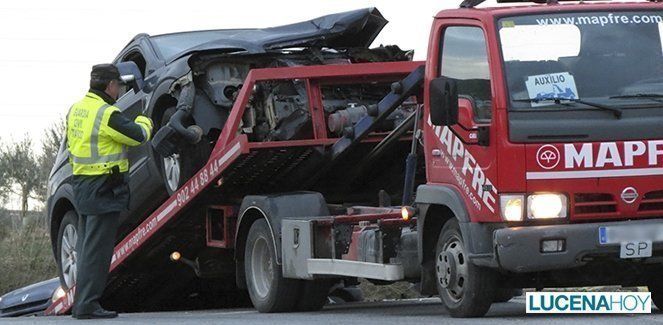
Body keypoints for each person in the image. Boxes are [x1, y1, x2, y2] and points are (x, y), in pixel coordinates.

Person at [66, 63, 153, 319]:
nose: (119, 91)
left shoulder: (76, 109)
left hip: (83, 186)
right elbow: (138, 136)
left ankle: (83, 302)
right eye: (118, 86)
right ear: (110, 86)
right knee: (98, 251)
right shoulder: (106, 114)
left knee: (87, 248)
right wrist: (144, 119)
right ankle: (87, 305)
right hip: (103, 188)